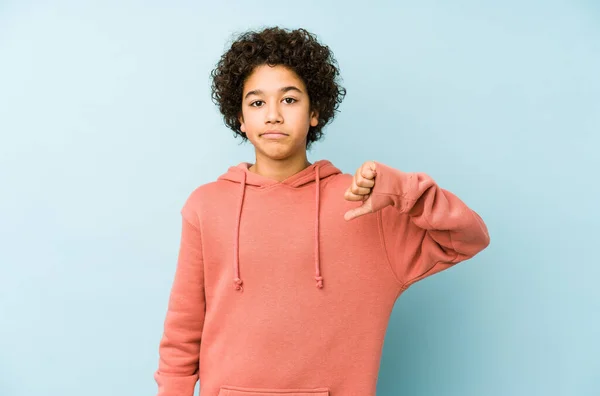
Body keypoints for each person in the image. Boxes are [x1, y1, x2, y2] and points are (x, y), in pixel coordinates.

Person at [154, 26, 490, 396]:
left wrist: (405, 191)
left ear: (315, 112)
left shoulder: (363, 204)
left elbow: (469, 238)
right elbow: (182, 334)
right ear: (240, 117)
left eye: (290, 100)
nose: (273, 116)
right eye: (257, 102)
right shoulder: (206, 206)